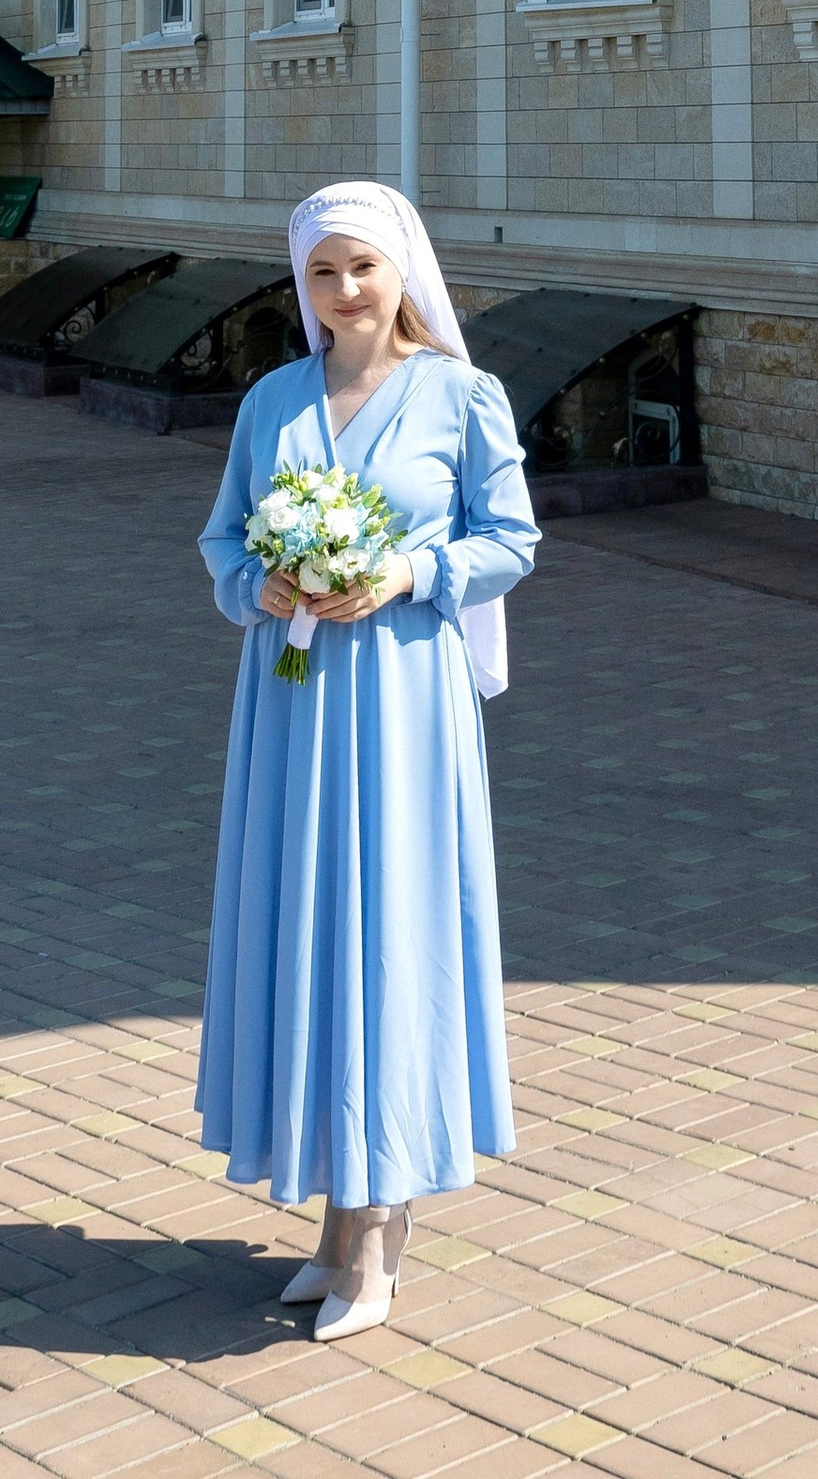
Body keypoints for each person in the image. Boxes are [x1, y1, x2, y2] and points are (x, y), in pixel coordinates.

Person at [196, 180, 538, 1337]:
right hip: (289, 699)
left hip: (401, 698)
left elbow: (510, 538)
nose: (344, 289)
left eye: (362, 265)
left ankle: (380, 1232)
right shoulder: (272, 400)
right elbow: (222, 533)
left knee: (387, 932)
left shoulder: (462, 394)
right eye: (321, 271)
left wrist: (409, 572)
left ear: (402, 269)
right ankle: (336, 1221)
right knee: (306, 927)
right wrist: (256, 584)